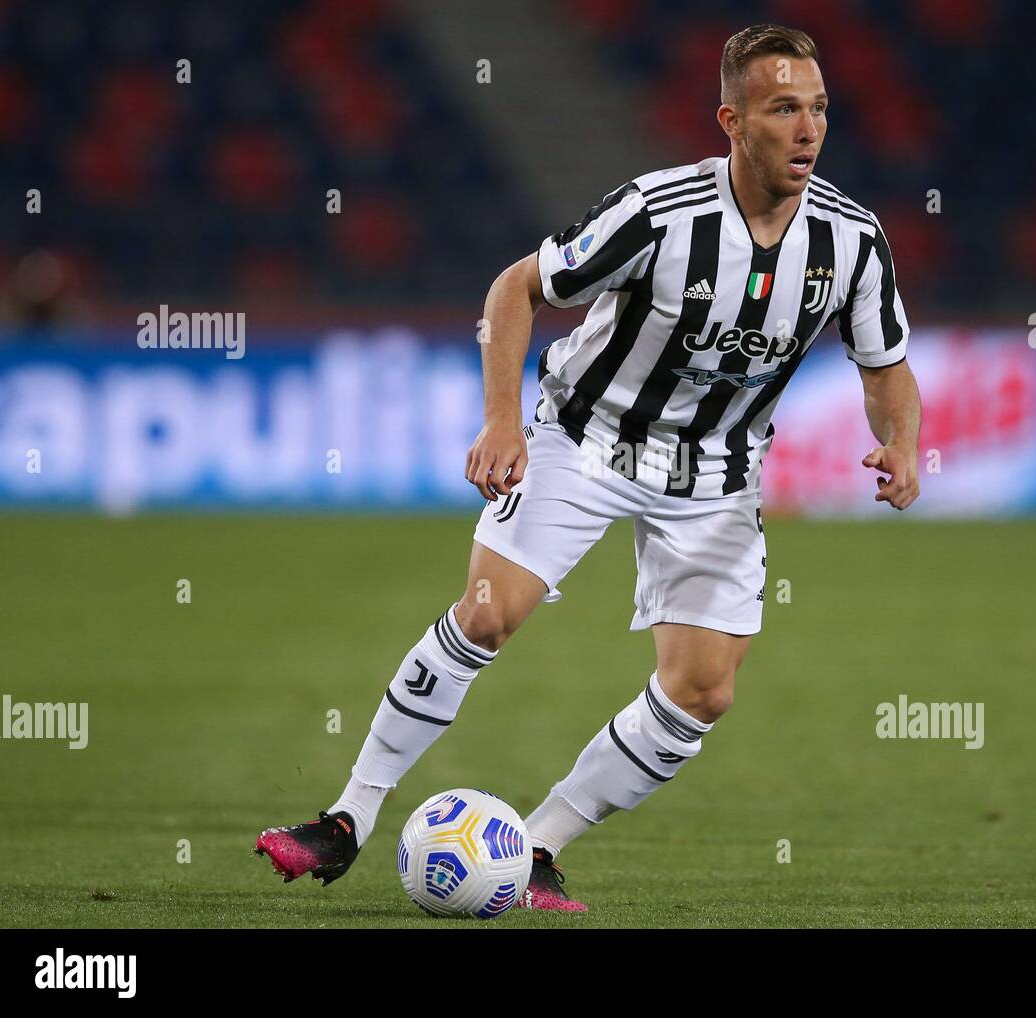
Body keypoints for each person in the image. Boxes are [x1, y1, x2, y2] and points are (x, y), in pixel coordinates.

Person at [256, 23, 920, 912]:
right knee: (489, 615)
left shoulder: (851, 240)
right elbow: (514, 288)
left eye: (819, 109)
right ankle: (346, 820)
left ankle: (535, 847)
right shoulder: (658, 212)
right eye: (783, 108)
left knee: (704, 690)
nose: (808, 130)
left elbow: (887, 370)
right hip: (588, 434)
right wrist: (502, 422)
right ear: (731, 119)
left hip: (717, 474)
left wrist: (902, 441)